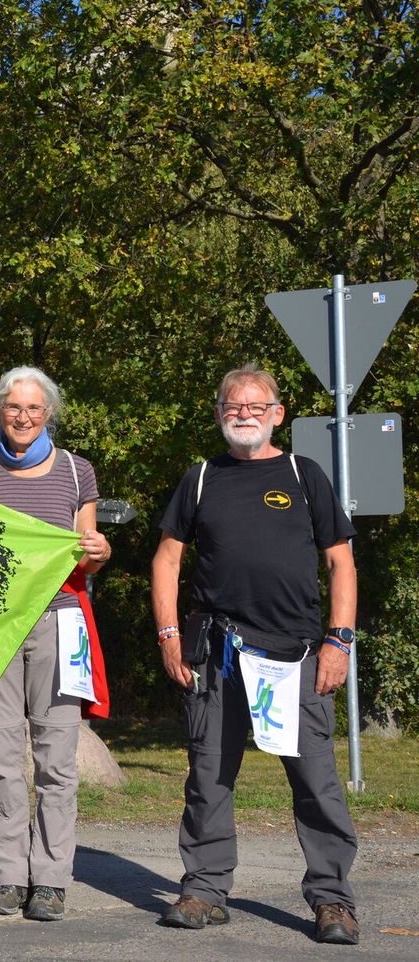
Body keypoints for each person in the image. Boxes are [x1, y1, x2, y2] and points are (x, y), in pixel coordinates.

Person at [151, 365, 360, 946]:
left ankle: (332, 901)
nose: (243, 413)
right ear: (219, 413)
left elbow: (341, 562)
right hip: (217, 655)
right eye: (232, 405)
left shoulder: (303, 474)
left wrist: (338, 641)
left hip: (295, 657)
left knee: (316, 781)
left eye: (255, 405)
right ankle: (204, 891)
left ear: (277, 414)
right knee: (209, 778)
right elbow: (167, 560)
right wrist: (169, 636)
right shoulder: (199, 479)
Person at [0, 366, 110, 921]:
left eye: (34, 408)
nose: (23, 417)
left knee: (57, 761)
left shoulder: (76, 470)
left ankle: (50, 880)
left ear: (49, 413)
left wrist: (100, 548)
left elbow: (86, 551)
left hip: (59, 623)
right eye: (14, 408)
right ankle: (7, 877)